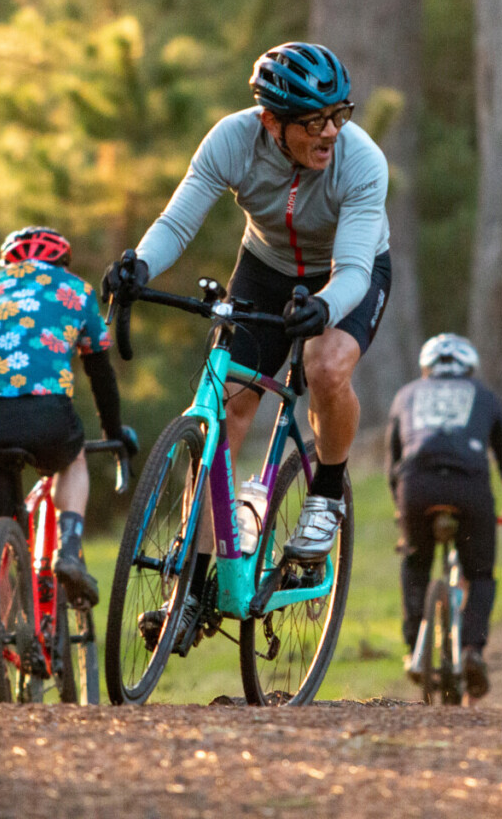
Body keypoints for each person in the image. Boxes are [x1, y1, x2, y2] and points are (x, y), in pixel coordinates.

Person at [103, 42, 390, 636]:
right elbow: (178, 222)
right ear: (271, 123)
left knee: (326, 364)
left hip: (347, 269)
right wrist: (139, 267)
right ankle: (192, 588)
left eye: (340, 114)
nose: (331, 132)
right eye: (314, 122)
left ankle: (326, 496)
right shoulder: (232, 140)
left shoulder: (361, 162)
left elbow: (356, 273)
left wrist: (325, 307)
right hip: (265, 264)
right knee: (226, 407)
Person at [0, 226, 137, 698]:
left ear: (8, 262)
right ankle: (68, 548)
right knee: (70, 461)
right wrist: (114, 435)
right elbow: (100, 373)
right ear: (63, 263)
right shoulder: (76, 291)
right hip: (43, 412)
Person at [386, 334, 502, 703]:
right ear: (469, 368)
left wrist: (400, 510)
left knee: (416, 562)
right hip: (470, 489)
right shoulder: (484, 396)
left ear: (426, 367)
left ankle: (414, 646)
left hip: (416, 486)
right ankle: (471, 651)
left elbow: (393, 464)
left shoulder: (406, 394)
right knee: (479, 574)